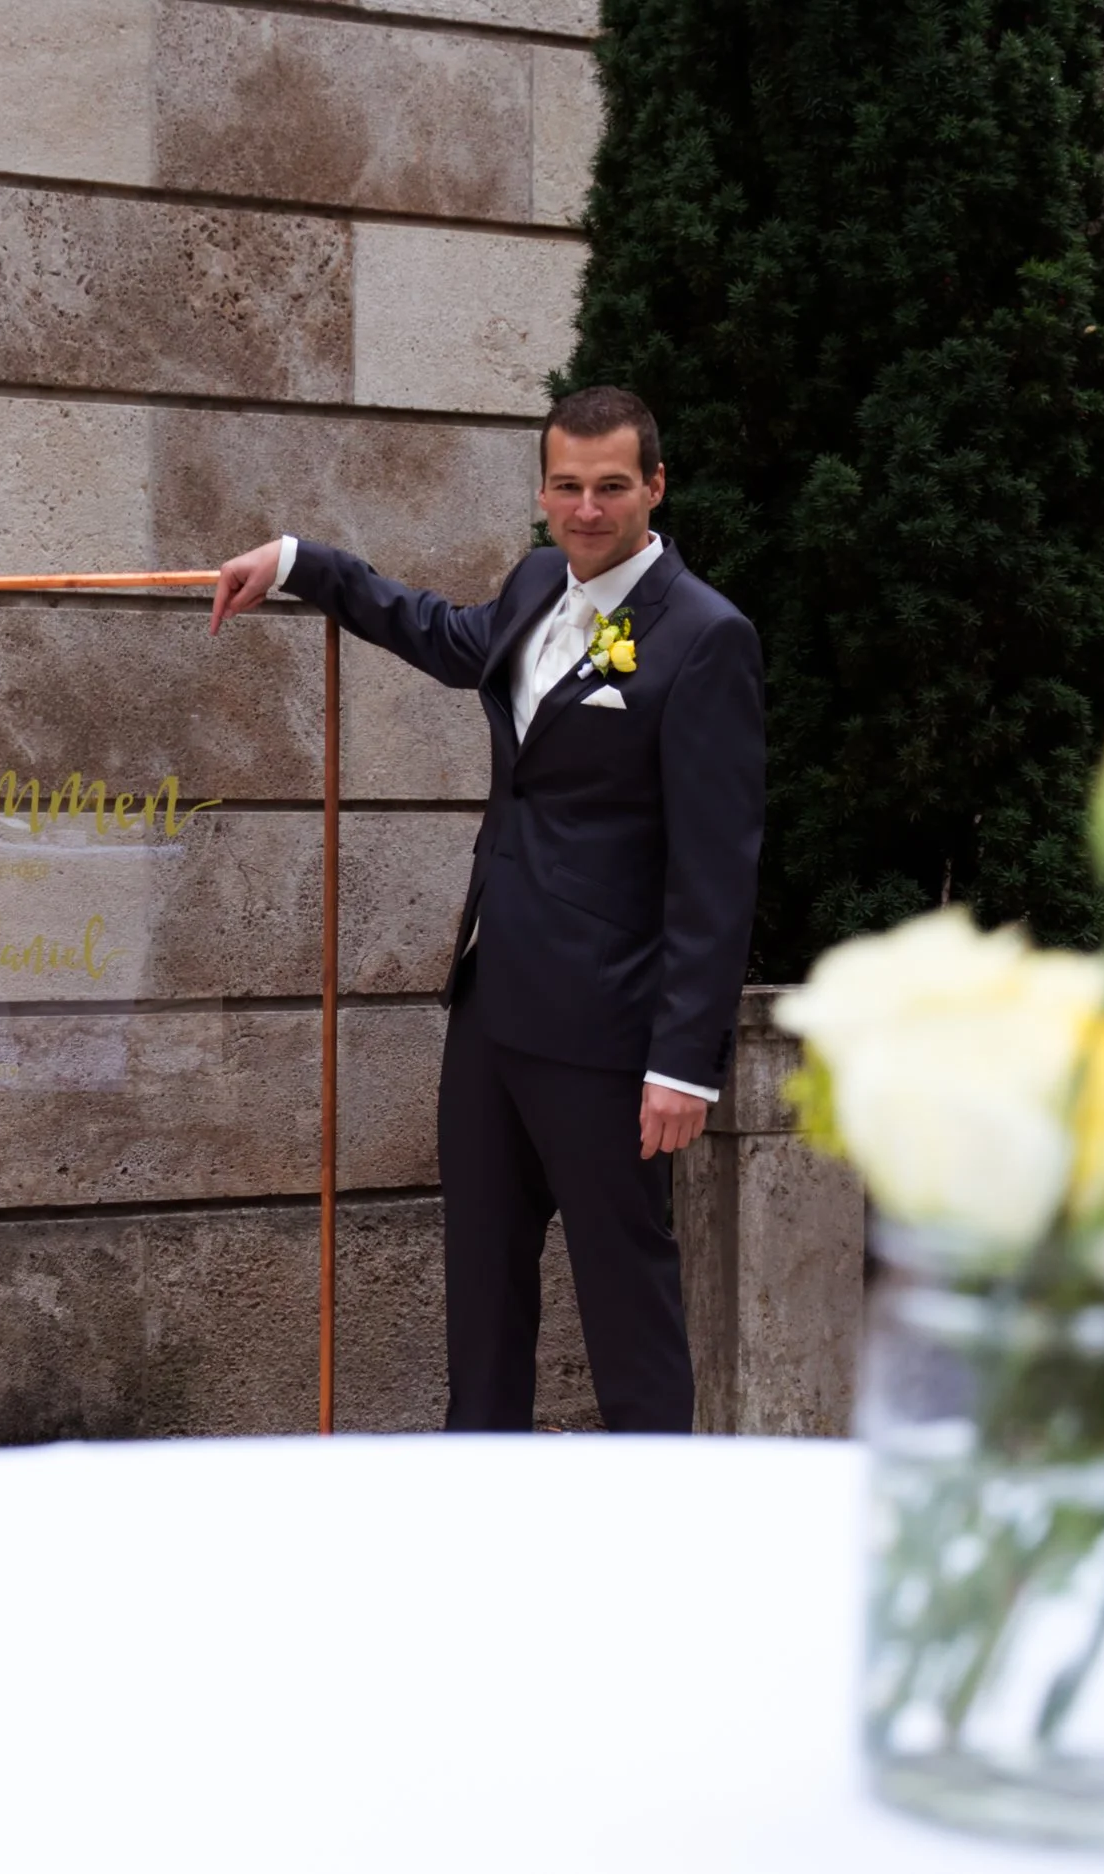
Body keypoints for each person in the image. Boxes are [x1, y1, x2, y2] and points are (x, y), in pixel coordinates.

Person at [212, 386, 765, 1431]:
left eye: (611, 486)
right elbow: (434, 629)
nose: (587, 508)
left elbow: (715, 867)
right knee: (482, 1293)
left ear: (654, 486)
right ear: (544, 489)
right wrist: (299, 564)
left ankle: (668, 1532)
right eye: (566, 485)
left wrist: (683, 1060)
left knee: (625, 1302)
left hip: (606, 1034)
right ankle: (483, 1520)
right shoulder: (532, 586)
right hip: (489, 1009)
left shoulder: (705, 637)